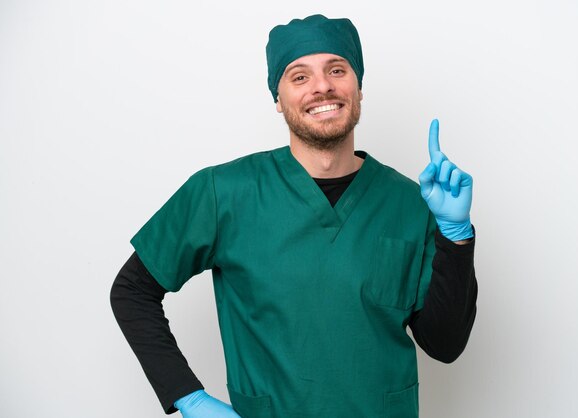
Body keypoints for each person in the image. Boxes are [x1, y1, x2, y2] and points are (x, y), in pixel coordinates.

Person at [111, 14, 477, 418]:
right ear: (278, 99)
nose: (322, 86)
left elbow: (444, 345)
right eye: (299, 76)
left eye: (337, 70)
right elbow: (132, 291)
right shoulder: (223, 193)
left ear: (358, 87)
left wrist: (455, 235)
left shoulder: (410, 203)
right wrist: (188, 397)